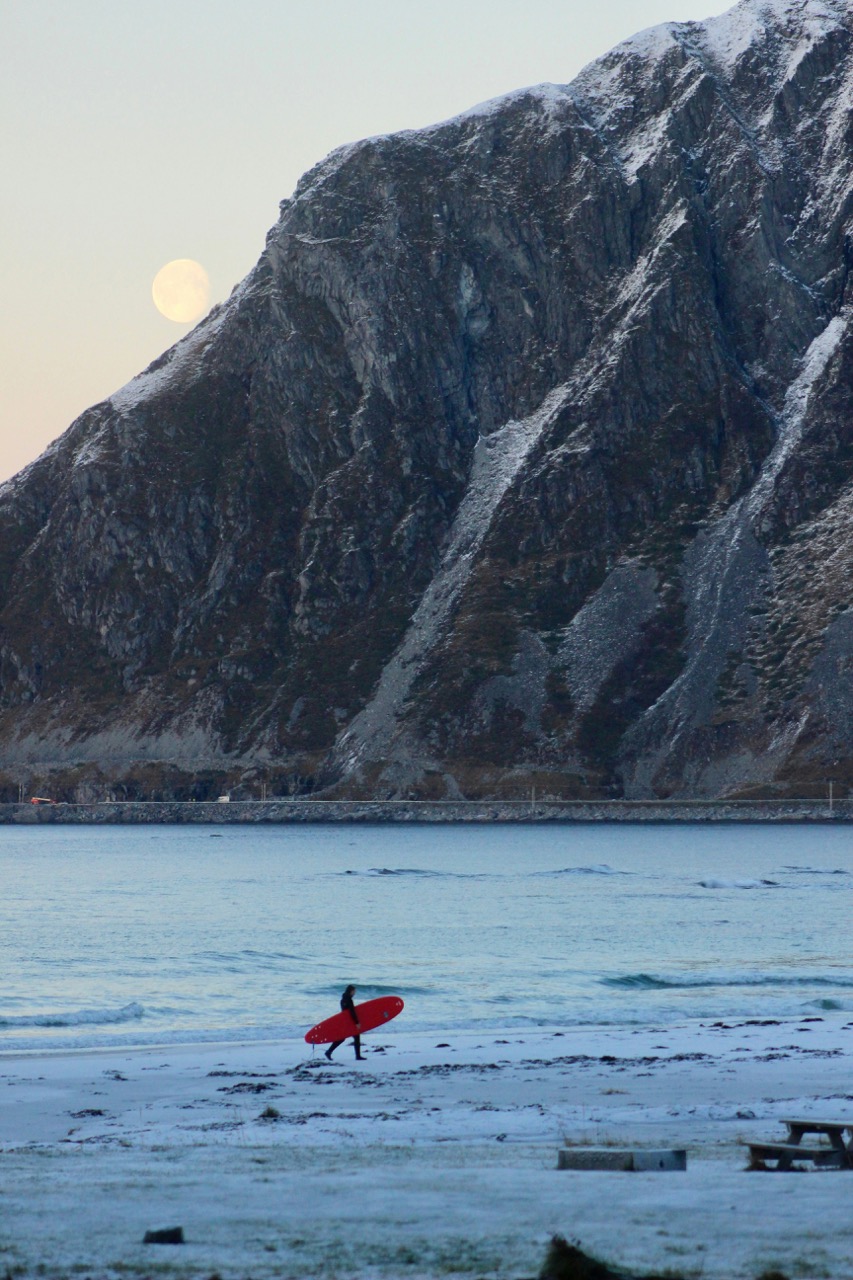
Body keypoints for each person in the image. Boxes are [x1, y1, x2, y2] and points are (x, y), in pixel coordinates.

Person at [325, 984, 364, 1060]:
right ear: (351, 991)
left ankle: (358, 1056)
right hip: (349, 1022)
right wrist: (356, 1022)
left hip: (345, 1021)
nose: (354, 993)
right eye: (354, 991)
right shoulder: (349, 1000)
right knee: (344, 1038)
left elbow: (344, 1012)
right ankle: (328, 1052)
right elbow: (352, 1012)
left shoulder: (343, 999)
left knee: (354, 1037)